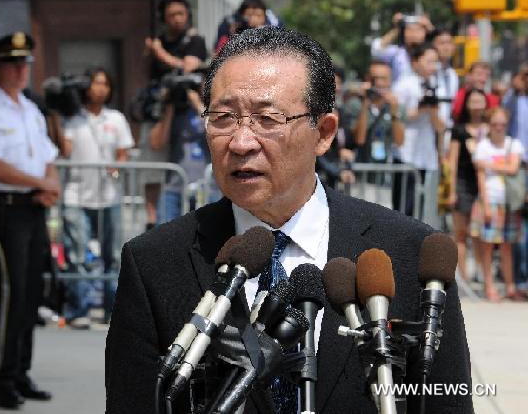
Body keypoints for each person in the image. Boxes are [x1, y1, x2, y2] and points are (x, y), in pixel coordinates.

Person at [106, 26, 472, 414]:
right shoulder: (154, 263)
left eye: (268, 119)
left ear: (324, 133)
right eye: (223, 117)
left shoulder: (411, 257)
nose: (241, 142)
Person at [0, 32, 58, 409]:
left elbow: (48, 155)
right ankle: (0, 379)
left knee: (31, 292)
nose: (21, 70)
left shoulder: (29, 110)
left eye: (25, 64)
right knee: (11, 291)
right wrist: (41, 181)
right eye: (13, 64)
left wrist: (50, 184)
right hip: (2, 207)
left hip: (32, 206)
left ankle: (19, 372)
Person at [61, 67, 135, 327]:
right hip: (76, 194)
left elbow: (123, 151)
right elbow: (64, 148)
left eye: (105, 83)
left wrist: (116, 166)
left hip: (109, 195)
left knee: (113, 255)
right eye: (95, 83)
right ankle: (79, 310)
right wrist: (57, 116)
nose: (101, 88)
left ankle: (111, 310)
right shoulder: (72, 119)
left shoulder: (116, 118)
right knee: (78, 255)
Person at [470, 108, 525, 301]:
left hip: (508, 202)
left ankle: (510, 287)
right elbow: (481, 177)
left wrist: (488, 165)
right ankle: (489, 286)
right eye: (495, 124)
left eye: (502, 124)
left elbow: (513, 168)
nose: (499, 128)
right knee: (487, 247)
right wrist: (485, 204)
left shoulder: (514, 144)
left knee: (507, 247)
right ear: (489, 125)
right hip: (489, 200)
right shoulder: (483, 146)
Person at [392, 43, 446, 228]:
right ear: (415, 62)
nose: (433, 66)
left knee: (423, 211)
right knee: (403, 209)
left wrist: (432, 110)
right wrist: (421, 109)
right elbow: (398, 116)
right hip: (406, 154)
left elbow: (441, 126)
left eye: (435, 62)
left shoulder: (438, 86)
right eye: (429, 61)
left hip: (427, 155)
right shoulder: (404, 85)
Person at [149, 85, 210, 222]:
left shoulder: (210, 111)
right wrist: (169, 107)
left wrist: (198, 105)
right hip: (174, 188)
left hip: (206, 188)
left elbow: (216, 131)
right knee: (166, 238)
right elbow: (156, 143)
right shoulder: (174, 114)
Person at [447, 89, 489, 282]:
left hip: (486, 184)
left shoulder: (491, 127)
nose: (477, 104)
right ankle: (463, 279)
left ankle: (483, 276)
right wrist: (452, 190)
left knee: (480, 234)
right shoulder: (460, 130)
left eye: (480, 100)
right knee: (461, 233)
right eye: (473, 101)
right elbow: (453, 161)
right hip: (463, 183)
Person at [350, 60, 405, 163]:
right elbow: (359, 139)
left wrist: (394, 113)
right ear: (367, 79)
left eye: (383, 79)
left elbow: (399, 142)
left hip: (386, 170)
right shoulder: (356, 104)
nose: (379, 83)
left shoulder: (397, 106)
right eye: (374, 79)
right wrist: (365, 103)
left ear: (390, 80)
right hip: (361, 168)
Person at [503, 63, 528, 287]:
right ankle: (520, 279)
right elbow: (503, 115)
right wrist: (515, 85)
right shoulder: (515, 99)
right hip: (519, 167)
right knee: (519, 226)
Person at [371, 12, 434, 82]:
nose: (413, 34)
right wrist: (397, 28)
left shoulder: (432, 54)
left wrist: (431, 29)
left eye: (418, 30)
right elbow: (377, 51)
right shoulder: (397, 53)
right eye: (409, 30)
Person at [214, 0, 282, 51]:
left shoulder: (275, 23)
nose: (253, 19)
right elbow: (218, 51)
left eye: (258, 15)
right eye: (249, 15)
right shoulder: (229, 23)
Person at [431, 28, 459, 133]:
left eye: (449, 43)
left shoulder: (453, 75)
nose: (446, 47)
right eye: (441, 43)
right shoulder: (428, 72)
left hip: (446, 131)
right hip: (429, 131)